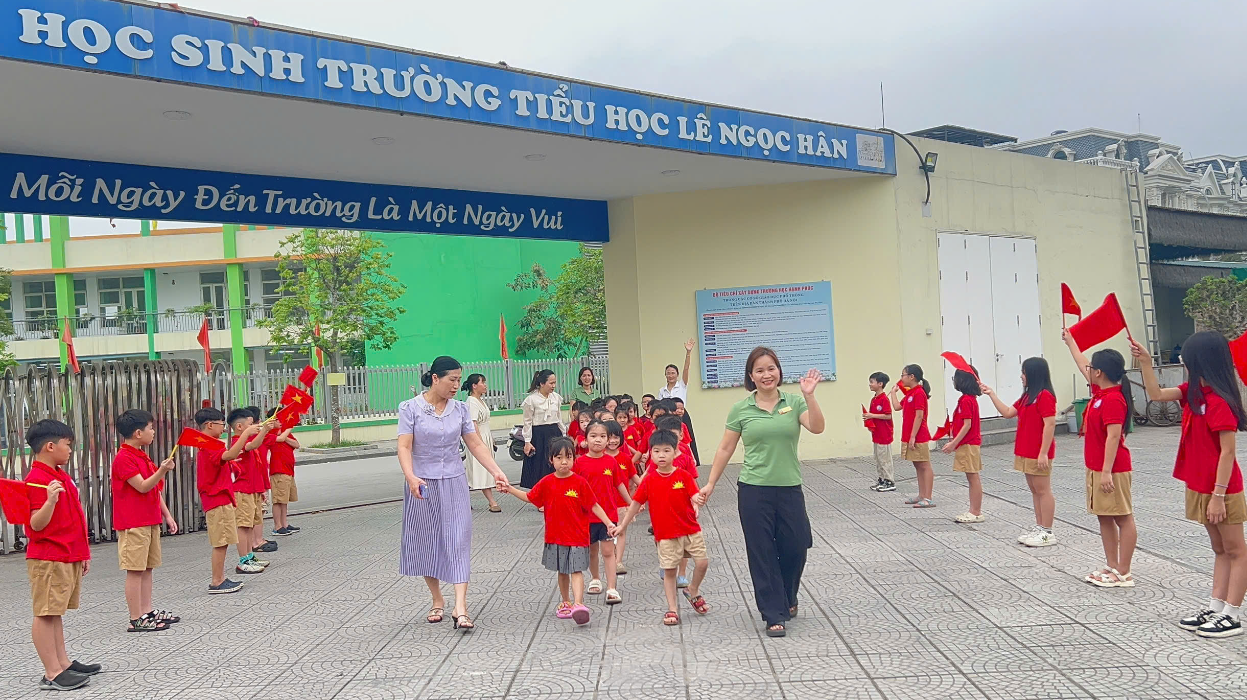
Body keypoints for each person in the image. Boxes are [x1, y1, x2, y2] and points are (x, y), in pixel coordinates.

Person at [696, 347, 825, 638]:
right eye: (760, 370)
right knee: (762, 552)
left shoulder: (794, 402)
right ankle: (773, 613)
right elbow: (726, 448)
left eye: (771, 368)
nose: (767, 375)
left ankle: (788, 596)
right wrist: (711, 483)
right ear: (751, 376)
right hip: (754, 490)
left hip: (789, 488)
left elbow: (817, 428)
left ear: (779, 371)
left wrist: (810, 396)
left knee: (797, 545)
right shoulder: (741, 409)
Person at [1134, 333, 1247, 637]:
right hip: (1201, 486)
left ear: (1201, 362)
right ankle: (1216, 606)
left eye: (1186, 357)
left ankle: (1232, 615)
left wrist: (1218, 496)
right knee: (1220, 548)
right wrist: (1146, 362)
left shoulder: (1219, 402)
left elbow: (1228, 452)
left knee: (1236, 550)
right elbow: (1156, 393)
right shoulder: (1193, 394)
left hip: (1222, 489)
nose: (1183, 362)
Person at [398, 356, 511, 632]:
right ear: (435, 378)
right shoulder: (410, 408)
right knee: (427, 541)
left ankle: (461, 607)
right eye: (452, 380)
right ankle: (437, 598)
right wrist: (410, 476)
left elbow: (475, 444)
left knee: (458, 539)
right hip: (421, 484)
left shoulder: (460, 410)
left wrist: (496, 471)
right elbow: (404, 446)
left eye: (459, 380)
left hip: (454, 481)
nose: (456, 385)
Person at [502, 436, 617, 626]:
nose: (564, 462)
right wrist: (509, 489)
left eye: (568, 457)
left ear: (574, 459)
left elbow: (594, 505)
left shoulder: (580, 482)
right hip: (556, 536)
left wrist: (608, 523)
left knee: (576, 570)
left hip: (578, 536)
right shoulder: (546, 482)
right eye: (559, 457)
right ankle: (566, 601)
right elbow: (530, 497)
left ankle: (578, 604)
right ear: (551, 460)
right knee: (562, 571)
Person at [23, 419, 101, 691]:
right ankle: (52, 672)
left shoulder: (58, 475)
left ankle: (63, 663)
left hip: (65, 553)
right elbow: (35, 524)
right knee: (45, 613)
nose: (70, 450)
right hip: (48, 556)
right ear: (50, 446)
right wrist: (50, 501)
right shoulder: (36, 480)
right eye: (67, 445)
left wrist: (82, 553)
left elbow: (73, 518)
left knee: (55, 612)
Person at [617, 429, 710, 626]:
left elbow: (694, 495)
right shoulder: (649, 480)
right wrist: (623, 525)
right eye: (656, 451)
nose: (661, 455)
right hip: (666, 534)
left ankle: (693, 590)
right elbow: (635, 504)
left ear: (675, 452)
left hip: (690, 529)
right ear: (650, 453)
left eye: (666, 451)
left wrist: (699, 499)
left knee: (702, 563)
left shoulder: (683, 476)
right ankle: (672, 609)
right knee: (669, 571)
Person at [1065, 335, 1136, 588]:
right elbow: (1081, 362)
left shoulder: (1113, 399)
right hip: (1097, 466)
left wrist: (1106, 472)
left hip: (1113, 469)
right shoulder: (1099, 392)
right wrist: (1071, 341)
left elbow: (1114, 436)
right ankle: (1112, 564)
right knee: (1104, 516)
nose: (1088, 370)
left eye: (1092, 367)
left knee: (1123, 517)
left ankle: (1124, 572)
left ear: (1099, 372)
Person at [110, 409, 179, 632]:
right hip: (133, 522)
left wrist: (166, 515)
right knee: (135, 570)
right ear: (138, 433)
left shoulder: (140, 455)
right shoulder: (124, 458)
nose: (153, 432)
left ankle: (147, 611)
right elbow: (142, 486)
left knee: (148, 568)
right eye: (150, 428)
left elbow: (154, 490)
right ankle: (135, 617)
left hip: (149, 519)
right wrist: (162, 470)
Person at [984, 357, 1058, 547]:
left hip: (1038, 452)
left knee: (1043, 490)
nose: (1021, 376)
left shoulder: (1045, 396)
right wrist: (991, 394)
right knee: (1035, 491)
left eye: (1024, 372)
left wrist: (1043, 453)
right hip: (1026, 450)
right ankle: (1040, 527)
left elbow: (1050, 424)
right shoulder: (1027, 397)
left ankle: (1047, 531)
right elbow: (1008, 412)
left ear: (1033, 374)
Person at [194, 407, 251, 594]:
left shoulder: (208, 444)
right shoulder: (210, 444)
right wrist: (246, 434)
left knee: (224, 540)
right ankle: (217, 580)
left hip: (220, 497)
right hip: (216, 498)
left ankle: (220, 578)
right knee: (220, 541)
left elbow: (223, 461)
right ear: (209, 425)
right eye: (220, 424)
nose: (223, 428)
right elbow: (230, 455)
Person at [574, 420, 623, 604]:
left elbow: (619, 484)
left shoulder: (611, 461)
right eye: (593, 436)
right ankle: (595, 578)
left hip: (609, 516)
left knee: (609, 551)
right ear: (585, 439)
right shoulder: (579, 463)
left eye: (602, 436)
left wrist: (631, 502)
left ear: (608, 439)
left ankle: (611, 587)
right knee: (592, 550)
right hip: (586, 516)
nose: (598, 440)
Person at [227, 408, 271, 575]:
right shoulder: (237, 442)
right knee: (243, 525)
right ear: (239, 426)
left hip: (253, 489)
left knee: (250, 524)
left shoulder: (245, 440)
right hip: (242, 490)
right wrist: (264, 431)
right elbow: (252, 445)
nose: (255, 426)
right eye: (251, 424)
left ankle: (250, 556)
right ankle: (243, 560)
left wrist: (261, 489)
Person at [941, 370, 984, 523]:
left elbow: (967, 425)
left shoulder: (966, 400)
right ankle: (974, 510)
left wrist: (953, 443)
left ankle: (975, 512)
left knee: (973, 477)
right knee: (971, 477)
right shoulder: (967, 399)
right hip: (967, 443)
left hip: (968, 443)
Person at [892, 364, 934, 508]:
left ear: (912, 377)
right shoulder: (910, 393)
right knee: (917, 464)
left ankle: (928, 497)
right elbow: (897, 407)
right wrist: (893, 393)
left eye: (903, 375)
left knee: (924, 465)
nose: (901, 378)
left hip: (919, 435)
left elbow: (919, 416)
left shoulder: (919, 393)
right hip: (910, 434)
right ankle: (921, 495)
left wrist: (913, 436)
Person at [462, 374, 502, 513]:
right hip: (477, 439)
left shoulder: (480, 401)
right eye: (482, 382)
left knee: (479, 471)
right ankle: (492, 501)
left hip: (486, 436)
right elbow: (473, 424)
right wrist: (479, 443)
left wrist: (491, 439)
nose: (485, 385)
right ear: (474, 386)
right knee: (481, 470)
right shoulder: (471, 402)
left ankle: (463, 499)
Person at [519, 369, 564, 489]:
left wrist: (564, 435)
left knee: (555, 463)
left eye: (555, 383)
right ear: (542, 383)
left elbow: (559, 418)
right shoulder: (531, 400)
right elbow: (527, 422)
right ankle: (541, 494)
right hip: (538, 436)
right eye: (551, 383)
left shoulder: (556, 398)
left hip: (554, 433)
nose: (553, 386)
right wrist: (527, 442)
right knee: (539, 467)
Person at [605, 421, 639, 577]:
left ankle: (618, 561)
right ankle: (610, 556)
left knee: (622, 532)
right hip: (604, 505)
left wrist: (644, 495)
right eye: (609, 437)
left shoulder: (625, 458)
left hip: (622, 503)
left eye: (616, 437)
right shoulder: (599, 458)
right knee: (607, 534)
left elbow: (635, 478)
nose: (612, 441)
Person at [245, 406, 278, 555]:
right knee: (258, 512)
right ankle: (256, 541)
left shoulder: (254, 437)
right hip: (255, 481)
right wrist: (265, 430)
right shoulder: (250, 439)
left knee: (259, 512)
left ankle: (257, 539)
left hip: (260, 478)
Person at [266, 410, 301, 536]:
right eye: (278, 419)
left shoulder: (285, 432)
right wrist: (286, 431)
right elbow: (279, 439)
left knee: (284, 499)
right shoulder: (270, 432)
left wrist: (285, 435)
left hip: (288, 470)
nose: (281, 422)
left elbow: (296, 444)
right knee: (278, 500)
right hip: (278, 469)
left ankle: (284, 523)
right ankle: (277, 526)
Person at [864, 371, 895, 492]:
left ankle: (889, 481)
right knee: (878, 459)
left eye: (872, 382)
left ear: (880, 384)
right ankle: (881, 479)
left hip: (884, 435)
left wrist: (872, 415)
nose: (870, 384)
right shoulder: (874, 399)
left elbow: (888, 415)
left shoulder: (884, 399)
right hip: (876, 434)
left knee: (885, 459)